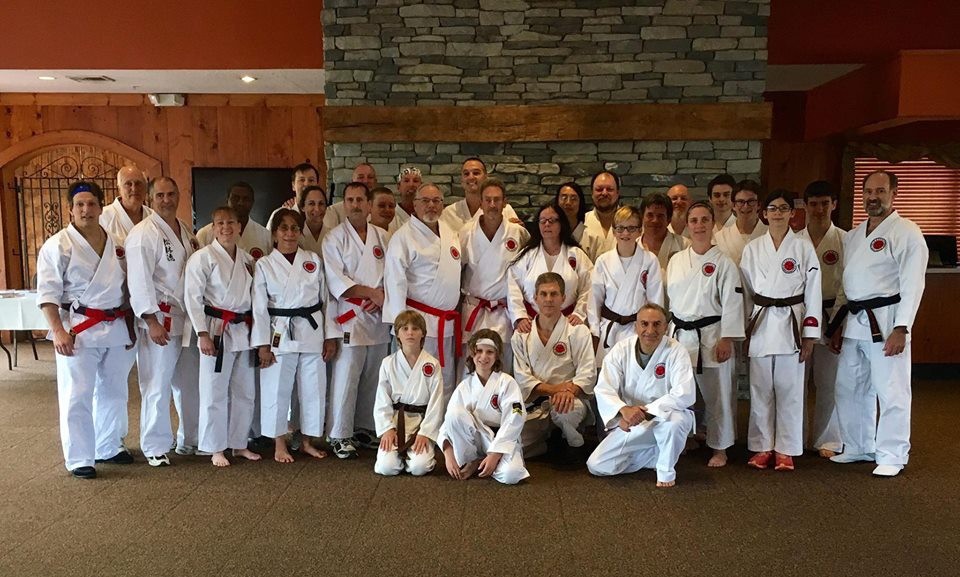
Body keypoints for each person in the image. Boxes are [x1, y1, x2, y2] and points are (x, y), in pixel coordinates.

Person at [829, 170, 927, 477]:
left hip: (886, 320)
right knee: (849, 386)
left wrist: (902, 327)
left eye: (880, 191)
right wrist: (837, 322)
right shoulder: (855, 234)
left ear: (893, 194)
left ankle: (893, 454)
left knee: (891, 389)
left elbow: (913, 284)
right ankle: (858, 446)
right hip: (855, 319)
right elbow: (847, 282)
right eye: (868, 191)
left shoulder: (907, 232)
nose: (873, 197)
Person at [37, 181, 138, 478]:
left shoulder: (118, 243)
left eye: (91, 203)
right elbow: (47, 294)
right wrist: (57, 330)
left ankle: (108, 445)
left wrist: (131, 325)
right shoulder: (58, 245)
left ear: (101, 207)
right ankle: (80, 457)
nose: (86, 209)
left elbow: (128, 288)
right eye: (79, 204)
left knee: (115, 390)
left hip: (116, 325)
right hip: (78, 329)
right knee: (77, 393)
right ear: (70, 209)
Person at [740, 190, 822, 471]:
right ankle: (762, 446)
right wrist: (744, 330)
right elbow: (746, 293)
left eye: (783, 208)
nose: (777, 213)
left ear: (792, 213)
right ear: (764, 213)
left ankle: (786, 449)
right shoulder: (753, 248)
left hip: (791, 324)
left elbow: (813, 292)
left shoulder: (803, 248)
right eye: (772, 208)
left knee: (790, 390)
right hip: (761, 324)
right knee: (760, 389)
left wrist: (809, 334)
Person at [126, 176, 201, 465]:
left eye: (171, 194)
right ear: (151, 198)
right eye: (160, 195)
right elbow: (139, 281)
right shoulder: (143, 234)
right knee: (157, 383)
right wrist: (150, 320)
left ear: (179, 195)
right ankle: (155, 445)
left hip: (185, 318)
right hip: (160, 318)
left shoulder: (184, 230)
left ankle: (189, 438)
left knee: (188, 382)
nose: (166, 200)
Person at [665, 201, 744, 467]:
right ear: (687, 225)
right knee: (681, 392)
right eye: (694, 220)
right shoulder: (676, 260)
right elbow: (671, 302)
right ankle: (686, 437)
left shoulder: (724, 262)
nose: (699, 225)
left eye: (704, 220)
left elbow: (733, 303)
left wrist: (727, 338)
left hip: (711, 336)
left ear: (713, 224)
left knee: (717, 394)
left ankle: (720, 447)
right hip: (680, 336)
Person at [252, 208, 333, 463]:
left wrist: (330, 336)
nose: (289, 233)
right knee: (276, 388)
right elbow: (258, 308)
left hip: (312, 330)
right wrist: (262, 345)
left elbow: (327, 300)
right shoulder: (264, 264)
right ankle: (279, 442)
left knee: (313, 388)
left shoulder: (313, 260)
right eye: (284, 228)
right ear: (275, 233)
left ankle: (306, 440)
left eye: (295, 228)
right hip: (279, 331)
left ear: (300, 232)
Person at [586, 304, 696, 488]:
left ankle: (666, 471)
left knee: (674, 423)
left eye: (657, 324)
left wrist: (646, 412)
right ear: (636, 326)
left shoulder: (676, 351)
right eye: (644, 324)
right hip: (632, 421)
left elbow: (684, 392)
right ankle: (658, 453)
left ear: (665, 327)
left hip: (665, 417)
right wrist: (623, 411)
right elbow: (604, 388)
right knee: (597, 465)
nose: (650, 330)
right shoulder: (621, 349)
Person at [184, 206, 261, 467]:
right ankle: (215, 447)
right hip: (216, 328)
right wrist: (202, 333)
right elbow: (192, 298)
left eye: (231, 223)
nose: (226, 228)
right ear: (213, 228)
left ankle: (239, 443)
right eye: (220, 223)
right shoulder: (202, 258)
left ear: (239, 226)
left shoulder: (248, 260)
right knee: (214, 390)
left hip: (242, 329)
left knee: (245, 391)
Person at [323, 182, 392, 457]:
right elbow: (335, 280)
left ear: (368, 204)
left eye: (360, 200)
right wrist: (372, 293)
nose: (355, 205)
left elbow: (394, 274)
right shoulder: (334, 238)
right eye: (350, 200)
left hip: (378, 315)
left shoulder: (383, 237)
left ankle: (364, 427)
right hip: (350, 316)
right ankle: (338, 434)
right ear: (344, 204)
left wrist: (383, 295)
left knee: (374, 375)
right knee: (347, 375)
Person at [383, 182, 462, 403]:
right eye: (425, 201)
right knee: (415, 382)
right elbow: (395, 281)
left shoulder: (450, 233)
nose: (431, 206)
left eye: (436, 201)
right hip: (416, 324)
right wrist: (401, 326)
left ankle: (440, 424)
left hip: (445, 324)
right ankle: (412, 424)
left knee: (443, 381)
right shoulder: (403, 237)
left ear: (443, 205)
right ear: (415, 205)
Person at [512, 273, 595, 457]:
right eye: (543, 294)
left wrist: (569, 391)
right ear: (535, 298)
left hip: (570, 399)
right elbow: (522, 377)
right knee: (515, 446)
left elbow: (587, 372)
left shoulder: (578, 331)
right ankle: (547, 442)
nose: (548, 299)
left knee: (567, 411)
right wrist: (555, 389)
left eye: (554, 294)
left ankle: (572, 444)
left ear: (563, 298)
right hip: (535, 402)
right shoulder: (521, 335)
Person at [438, 329, 529, 484]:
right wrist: (448, 453)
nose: (484, 357)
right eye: (479, 351)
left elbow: (516, 417)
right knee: (454, 413)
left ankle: (489, 463)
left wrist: (495, 454)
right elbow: (449, 420)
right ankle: (472, 460)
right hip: (473, 441)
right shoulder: (464, 386)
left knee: (511, 475)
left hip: (500, 439)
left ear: (497, 355)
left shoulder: (507, 383)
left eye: (490, 352)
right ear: (472, 354)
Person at [796, 180, 846, 458]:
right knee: (797, 381)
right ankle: (796, 436)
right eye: (813, 204)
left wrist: (838, 324)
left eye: (824, 203)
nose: (819, 209)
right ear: (805, 206)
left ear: (833, 205)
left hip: (832, 314)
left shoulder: (845, 240)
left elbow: (848, 285)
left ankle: (828, 439)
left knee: (830, 381)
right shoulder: (794, 241)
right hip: (800, 316)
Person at [459, 178, 529, 374]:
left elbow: (528, 272)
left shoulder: (518, 233)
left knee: (503, 366)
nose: (492, 205)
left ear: (505, 202)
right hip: (474, 309)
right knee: (470, 368)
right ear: (480, 202)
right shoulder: (465, 233)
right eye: (487, 200)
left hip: (504, 312)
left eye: (497, 200)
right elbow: (455, 271)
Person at [589, 206, 663, 364]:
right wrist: (594, 332)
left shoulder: (650, 260)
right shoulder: (603, 261)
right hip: (609, 329)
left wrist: (653, 329)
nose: (625, 233)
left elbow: (655, 301)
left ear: (640, 231)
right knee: (608, 372)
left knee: (636, 372)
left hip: (638, 329)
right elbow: (594, 300)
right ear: (614, 231)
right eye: (620, 228)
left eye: (631, 228)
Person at [373, 311, 444, 476]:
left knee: (419, 468)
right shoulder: (388, 363)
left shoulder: (432, 364)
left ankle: (415, 457)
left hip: (421, 422)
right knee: (386, 467)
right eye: (405, 328)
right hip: (395, 421)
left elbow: (437, 403)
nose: (410, 333)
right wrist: (387, 429)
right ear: (397, 334)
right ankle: (396, 457)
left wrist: (425, 433)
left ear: (423, 333)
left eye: (415, 328)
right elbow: (382, 399)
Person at [507, 202, 592, 336]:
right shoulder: (527, 255)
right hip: (531, 324)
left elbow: (589, 286)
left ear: (561, 224)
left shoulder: (576, 254)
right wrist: (520, 316)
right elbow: (512, 287)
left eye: (552, 221)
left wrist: (579, 313)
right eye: (543, 221)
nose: (547, 224)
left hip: (569, 324)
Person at [196, 182, 272, 260]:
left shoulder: (265, 235)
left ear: (252, 202)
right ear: (227, 200)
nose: (240, 203)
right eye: (235, 198)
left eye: (246, 199)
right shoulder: (205, 234)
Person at [440, 158, 519, 232]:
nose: (471, 177)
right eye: (466, 174)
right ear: (461, 180)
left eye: (476, 173)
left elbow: (515, 235)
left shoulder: (504, 209)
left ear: (486, 177)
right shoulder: (449, 213)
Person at [714, 180, 768, 266]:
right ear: (733, 205)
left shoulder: (770, 234)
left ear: (759, 205)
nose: (745, 206)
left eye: (751, 201)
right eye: (740, 202)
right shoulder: (720, 238)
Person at [100, 166, 153, 243]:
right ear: (119, 189)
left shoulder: (152, 216)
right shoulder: (103, 217)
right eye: (128, 184)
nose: (134, 189)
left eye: (138, 183)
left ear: (145, 187)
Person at [639, 192, 689, 271]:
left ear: (668, 219)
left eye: (660, 216)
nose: (655, 220)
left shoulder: (685, 246)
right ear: (642, 217)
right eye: (650, 215)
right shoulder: (632, 247)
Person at [324, 162, 378, 232]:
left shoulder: (386, 210)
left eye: (370, 177)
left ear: (375, 182)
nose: (365, 181)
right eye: (360, 177)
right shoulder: (334, 211)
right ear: (352, 181)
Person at [581, 170, 620, 262]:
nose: (604, 193)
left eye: (610, 189)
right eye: (599, 189)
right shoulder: (581, 222)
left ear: (617, 193)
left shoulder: (631, 223)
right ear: (592, 193)